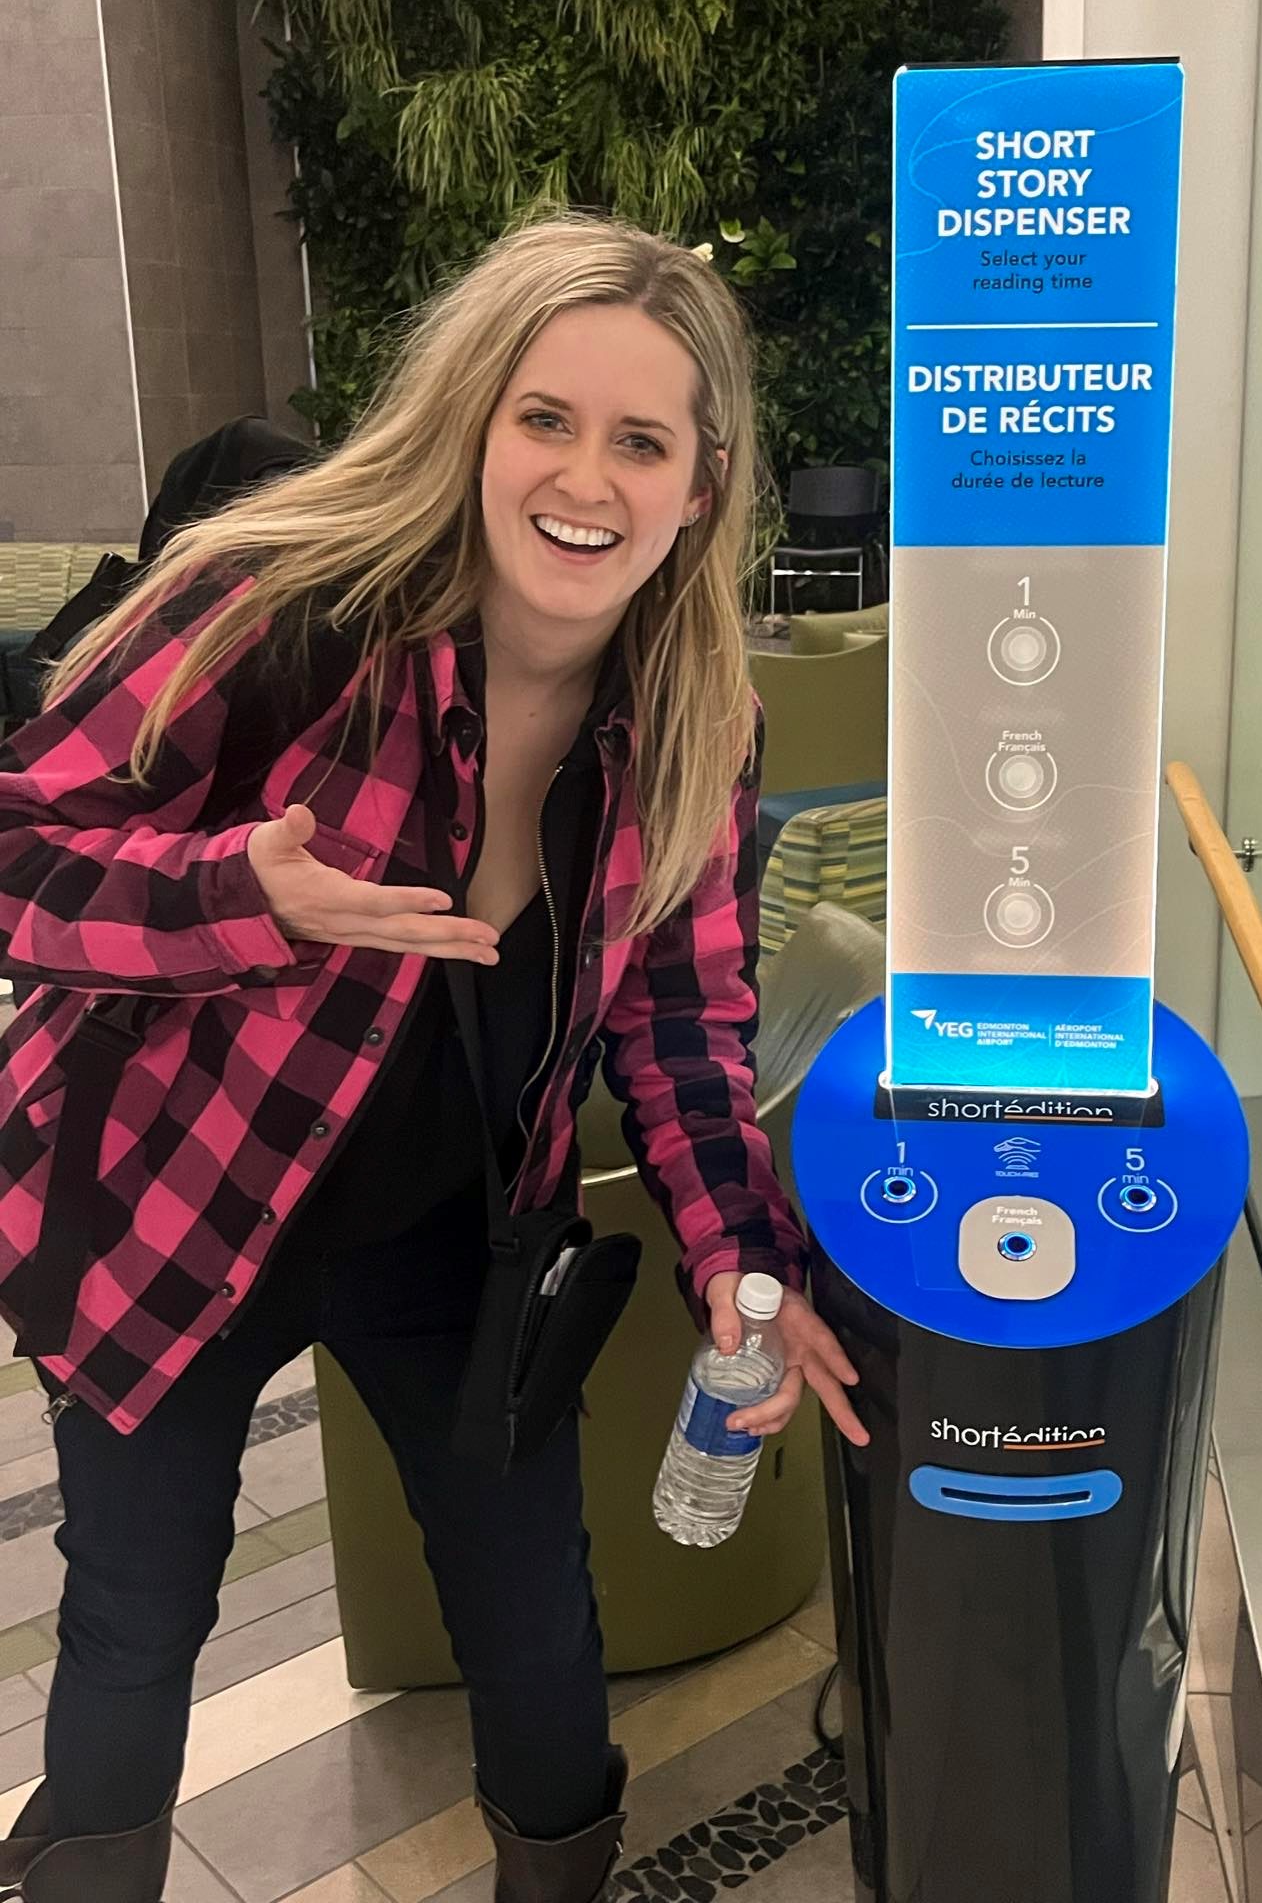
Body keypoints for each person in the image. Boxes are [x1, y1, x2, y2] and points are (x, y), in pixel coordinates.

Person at [0, 211, 869, 1903]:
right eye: (545, 417)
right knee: (136, 1617)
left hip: (450, 1233)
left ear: (700, 488)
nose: (586, 477)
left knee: (534, 1607)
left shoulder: (701, 716)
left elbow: (683, 1024)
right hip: (169, 1199)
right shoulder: (285, 606)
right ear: (474, 419)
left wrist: (744, 1272)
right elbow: (18, 848)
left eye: (643, 441)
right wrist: (234, 893)